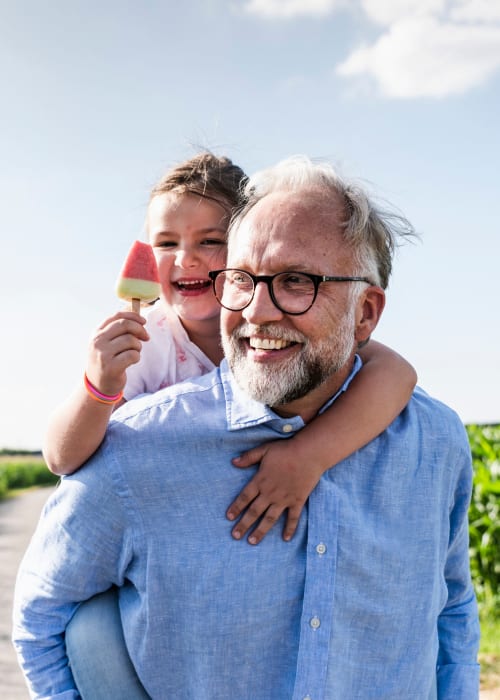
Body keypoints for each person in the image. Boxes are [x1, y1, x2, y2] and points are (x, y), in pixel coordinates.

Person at [13, 155, 479, 699]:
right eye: (243, 280)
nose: (259, 311)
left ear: (366, 315)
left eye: (296, 281)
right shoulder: (137, 435)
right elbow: (43, 614)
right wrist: (97, 387)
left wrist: (309, 455)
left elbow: (451, 611)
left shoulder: (435, 443)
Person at [43, 151, 416, 544]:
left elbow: (396, 374)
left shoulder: (284, 327)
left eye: (210, 241)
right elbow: (61, 457)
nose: (186, 259)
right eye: (166, 242)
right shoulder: (144, 340)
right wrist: (98, 386)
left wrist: (309, 456)